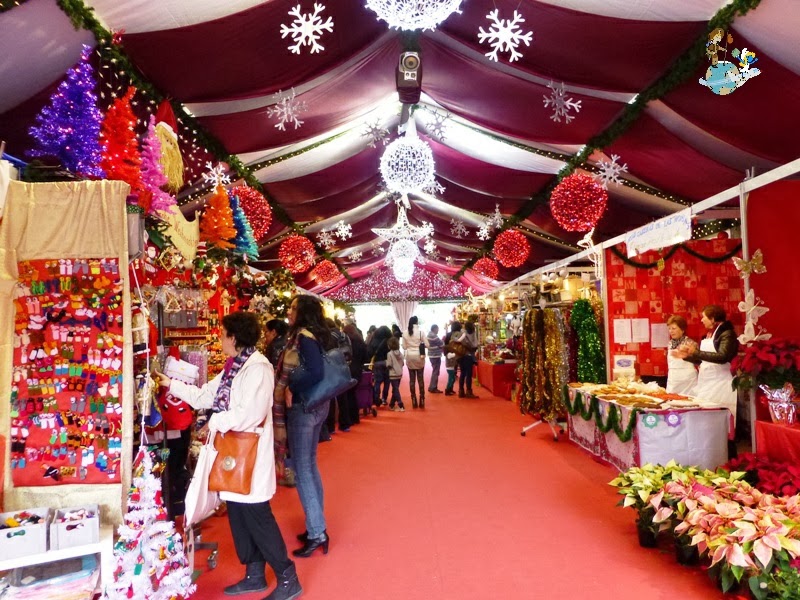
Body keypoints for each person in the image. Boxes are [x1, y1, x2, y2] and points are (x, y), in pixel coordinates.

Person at [154, 311, 302, 599]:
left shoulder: (257, 368)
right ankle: (255, 573)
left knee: (257, 516)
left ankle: (287, 576)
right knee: (238, 516)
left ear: (234, 337)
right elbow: (204, 396)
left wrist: (215, 422)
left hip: (249, 453)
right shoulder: (234, 367)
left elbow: (251, 414)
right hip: (231, 453)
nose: (221, 339)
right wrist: (169, 384)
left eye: (223, 334)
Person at [275, 295, 334, 558]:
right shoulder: (313, 335)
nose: (288, 312)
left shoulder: (305, 337)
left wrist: (290, 386)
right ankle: (315, 524)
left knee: (302, 469)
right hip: (316, 406)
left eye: (292, 308)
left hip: (304, 407)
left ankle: (317, 532)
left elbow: (315, 372)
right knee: (308, 464)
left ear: (302, 312)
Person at [672, 305, 739, 446]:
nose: (701, 320)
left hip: (720, 383)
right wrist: (686, 356)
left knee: (721, 424)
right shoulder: (709, 334)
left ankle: (726, 456)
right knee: (705, 423)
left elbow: (722, 356)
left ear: (713, 318)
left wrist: (694, 352)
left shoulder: (727, 333)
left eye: (704, 317)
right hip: (706, 382)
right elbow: (704, 360)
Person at [264, 319, 295, 487]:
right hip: (289, 397)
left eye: (266, 333)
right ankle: (287, 470)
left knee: (280, 434)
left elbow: (274, 373)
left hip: (279, 397)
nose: (265, 336)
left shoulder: (275, 348)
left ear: (274, 332)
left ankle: (284, 471)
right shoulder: (289, 343)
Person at [342, 323, 367, 429]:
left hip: (348, 370)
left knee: (347, 396)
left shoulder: (346, 342)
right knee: (353, 394)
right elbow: (366, 358)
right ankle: (355, 417)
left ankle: (348, 419)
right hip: (358, 370)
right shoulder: (361, 341)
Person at [665, 314, 697, 395]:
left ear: (682, 329)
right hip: (673, 379)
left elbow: (698, 361)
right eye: (669, 329)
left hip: (688, 381)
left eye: (674, 328)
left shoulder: (690, 343)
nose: (671, 331)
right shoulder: (670, 344)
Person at [402, 316, 429, 409]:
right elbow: (427, 344)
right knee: (420, 379)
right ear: (417, 323)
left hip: (409, 356)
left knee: (412, 379)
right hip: (419, 357)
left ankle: (413, 399)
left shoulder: (405, 333)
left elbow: (404, 347)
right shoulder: (421, 333)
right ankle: (422, 398)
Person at [367, 325, 392, 408]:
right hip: (387, 362)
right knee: (387, 381)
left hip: (377, 363)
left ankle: (376, 398)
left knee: (377, 382)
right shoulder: (389, 340)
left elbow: (370, 352)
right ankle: (384, 398)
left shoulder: (374, 340)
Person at [455, 321, 479, 398]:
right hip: (468, 356)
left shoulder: (462, 333)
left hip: (461, 355)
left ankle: (461, 391)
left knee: (463, 373)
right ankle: (468, 391)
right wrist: (472, 348)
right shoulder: (472, 334)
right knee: (468, 374)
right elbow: (475, 345)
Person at [386, 336, 406, 411]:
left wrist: (386, 364)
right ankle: (391, 404)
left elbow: (389, 364)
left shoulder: (389, 354)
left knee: (395, 389)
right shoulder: (400, 353)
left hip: (393, 374)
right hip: (399, 373)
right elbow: (402, 363)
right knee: (395, 389)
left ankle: (401, 404)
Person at [443, 322, 462, 396]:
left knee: (452, 375)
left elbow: (445, 345)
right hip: (453, 355)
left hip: (450, 354)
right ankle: (448, 389)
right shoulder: (458, 335)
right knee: (452, 375)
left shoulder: (448, 334)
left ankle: (450, 388)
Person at [426, 324, 444, 394]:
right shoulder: (434, 336)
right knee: (436, 372)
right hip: (435, 355)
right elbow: (441, 344)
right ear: (435, 329)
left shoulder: (429, 335)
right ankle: (433, 387)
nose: (438, 330)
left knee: (435, 371)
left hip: (431, 355)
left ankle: (432, 386)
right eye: (437, 329)